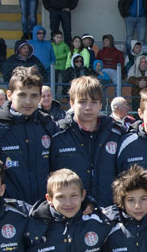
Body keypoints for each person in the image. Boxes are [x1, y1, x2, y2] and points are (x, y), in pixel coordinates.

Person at [0, 66, 59, 203]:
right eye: (22, 95)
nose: (28, 101)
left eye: (34, 95)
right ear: (9, 95)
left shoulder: (48, 124)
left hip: (43, 207)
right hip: (7, 209)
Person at [49, 77, 124, 205]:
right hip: (70, 211)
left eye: (94, 102)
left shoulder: (117, 134)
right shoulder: (57, 135)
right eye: (82, 102)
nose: (88, 107)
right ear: (72, 103)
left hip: (109, 212)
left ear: (101, 104)